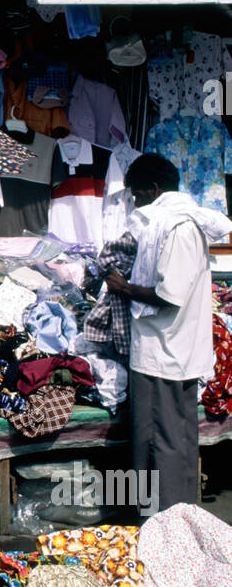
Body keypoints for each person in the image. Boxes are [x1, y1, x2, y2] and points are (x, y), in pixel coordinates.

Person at [105, 153, 231, 513]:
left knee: (167, 445)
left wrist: (124, 287)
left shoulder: (178, 229)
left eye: (137, 195)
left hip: (167, 355)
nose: (135, 203)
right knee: (153, 442)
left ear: (153, 190)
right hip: (157, 353)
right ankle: (154, 524)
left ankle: (172, 528)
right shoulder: (170, 225)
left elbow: (169, 294)